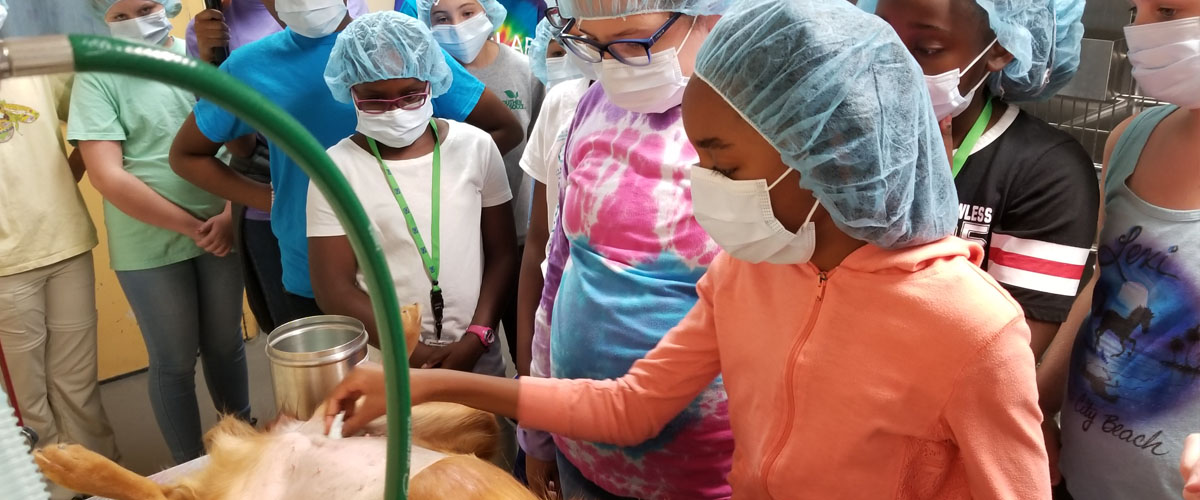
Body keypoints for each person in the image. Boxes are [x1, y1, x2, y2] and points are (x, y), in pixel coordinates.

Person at [325, 0, 1054, 497]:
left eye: (723, 165)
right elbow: (630, 408)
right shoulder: (750, 273)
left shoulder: (969, 330)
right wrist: (424, 387)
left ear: (824, 148)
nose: (702, 189)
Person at [170, 0, 523, 326]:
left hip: (420, 265)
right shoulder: (249, 68)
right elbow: (187, 154)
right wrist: (271, 199)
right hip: (310, 271)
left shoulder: (399, 46)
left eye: (404, 98)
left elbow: (502, 127)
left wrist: (434, 184)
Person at [310, 11, 520, 467]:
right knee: (407, 472)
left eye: (410, 94)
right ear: (351, 91)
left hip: (477, 355)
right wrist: (416, 353)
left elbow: (503, 253)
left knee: (487, 471)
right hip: (387, 364)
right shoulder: (335, 168)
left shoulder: (475, 147)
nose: (396, 109)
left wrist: (479, 336)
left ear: (432, 80)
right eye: (375, 99)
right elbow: (334, 286)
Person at [69, 0, 251, 465]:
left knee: (226, 343)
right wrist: (192, 226)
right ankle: (190, 468)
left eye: (146, 7)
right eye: (119, 14)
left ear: (168, 5)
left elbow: (239, 142)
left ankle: (247, 447)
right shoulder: (97, 74)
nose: (136, 21)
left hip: (222, 226)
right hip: (147, 241)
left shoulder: (199, 55)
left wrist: (232, 212)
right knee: (172, 362)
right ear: (100, 19)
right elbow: (107, 175)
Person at [872, 0, 1097, 362]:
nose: (893, 64)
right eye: (880, 36)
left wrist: (930, 217)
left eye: (927, 49)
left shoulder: (1047, 171)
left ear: (1001, 49)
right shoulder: (846, 141)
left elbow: (1003, 356)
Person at [1037, 1, 1200, 498]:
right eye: (1136, 9)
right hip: (1082, 476)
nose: (1141, 31)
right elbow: (1102, 286)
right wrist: (1036, 406)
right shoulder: (1130, 138)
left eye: (1168, 9)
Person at [0, 1, 120, 496]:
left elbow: (90, 119)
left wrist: (61, 182)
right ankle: (50, 488)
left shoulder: (32, 58)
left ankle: (103, 481)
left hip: (64, 242)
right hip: (6, 265)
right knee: (28, 398)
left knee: (77, 384)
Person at [418, 0, 546, 363]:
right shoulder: (428, 79)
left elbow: (539, 152)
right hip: (457, 238)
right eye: (440, 18)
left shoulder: (524, 70)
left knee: (528, 343)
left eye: (467, 12)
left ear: (490, 10)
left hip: (519, 231)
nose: (455, 26)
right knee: (470, 343)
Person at [513, 15, 592, 495]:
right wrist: (529, 376)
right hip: (559, 354)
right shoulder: (564, 105)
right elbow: (541, 246)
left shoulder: (700, 113)